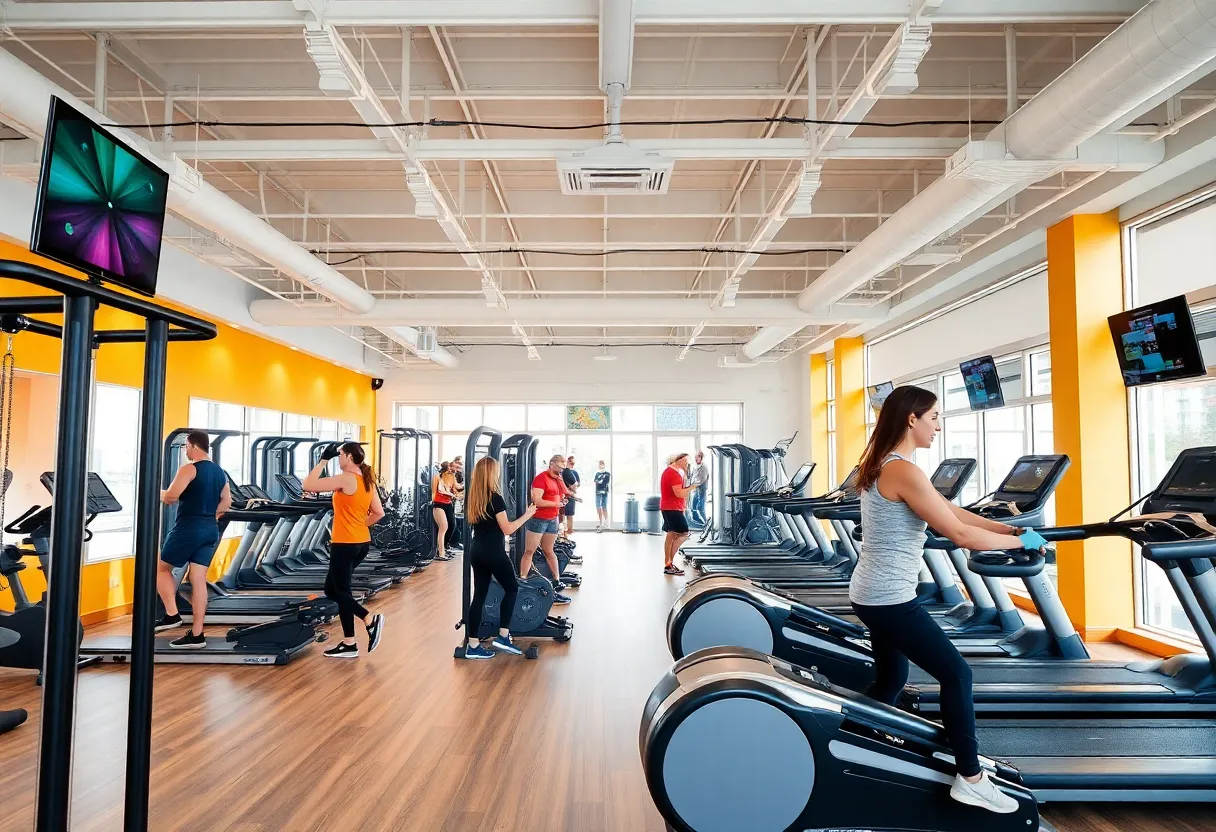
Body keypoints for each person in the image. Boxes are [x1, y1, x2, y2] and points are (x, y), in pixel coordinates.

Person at [849, 385, 1048, 814]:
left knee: (891, 680)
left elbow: (953, 512)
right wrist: (1023, 543)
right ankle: (971, 779)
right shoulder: (902, 470)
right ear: (912, 419)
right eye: (934, 417)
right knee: (957, 674)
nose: (938, 425)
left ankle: (849, 741)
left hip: (873, 592)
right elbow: (959, 534)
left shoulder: (886, 464)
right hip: (888, 597)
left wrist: (1012, 531)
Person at [303, 442, 387, 659]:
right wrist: (358, 525)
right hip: (361, 542)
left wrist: (324, 459)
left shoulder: (346, 478)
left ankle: (369, 619)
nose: (338, 458)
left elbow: (308, 484)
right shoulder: (366, 481)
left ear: (349, 457)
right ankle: (349, 643)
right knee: (337, 591)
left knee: (338, 591)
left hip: (345, 543)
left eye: (340, 455)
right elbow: (379, 513)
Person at [155, 430, 232, 648]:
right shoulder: (220, 472)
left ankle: (172, 615)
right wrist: (210, 516)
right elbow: (226, 502)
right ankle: (197, 635)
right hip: (210, 528)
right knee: (198, 578)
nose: (185, 451)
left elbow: (171, 497)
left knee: (160, 569)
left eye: (186, 447)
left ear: (193, 445)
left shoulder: (189, 468)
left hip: (189, 527)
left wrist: (157, 492)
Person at [463, 457, 537, 660]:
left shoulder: (474, 498)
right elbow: (508, 529)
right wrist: (527, 515)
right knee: (512, 588)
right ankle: (503, 636)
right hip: (493, 552)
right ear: (491, 474)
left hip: (477, 551)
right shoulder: (495, 498)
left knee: (479, 596)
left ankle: (473, 645)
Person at [523, 454, 573, 605]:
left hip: (553, 519)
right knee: (529, 551)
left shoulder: (557, 479)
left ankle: (556, 580)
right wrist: (556, 504)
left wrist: (561, 501)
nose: (560, 471)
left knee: (549, 550)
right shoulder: (541, 478)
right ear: (551, 464)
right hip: (539, 519)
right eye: (559, 467)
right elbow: (537, 500)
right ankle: (523, 581)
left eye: (562, 468)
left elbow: (561, 495)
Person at [659, 453, 695, 576]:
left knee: (671, 534)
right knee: (684, 533)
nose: (686, 463)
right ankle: (669, 564)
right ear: (677, 461)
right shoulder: (673, 474)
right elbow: (680, 493)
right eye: (684, 461)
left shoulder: (669, 472)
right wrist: (692, 487)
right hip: (672, 508)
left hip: (670, 507)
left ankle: (668, 564)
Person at [432, 461, 458, 561]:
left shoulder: (451, 477)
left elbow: (457, 487)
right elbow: (439, 490)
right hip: (439, 504)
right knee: (443, 527)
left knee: (452, 525)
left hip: (448, 504)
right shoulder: (438, 477)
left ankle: (444, 548)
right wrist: (452, 495)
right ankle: (441, 554)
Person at [561, 455, 581, 536]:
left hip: (570, 496)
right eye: (570, 462)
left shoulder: (574, 473)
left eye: (573, 463)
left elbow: (577, 484)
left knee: (570, 514)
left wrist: (571, 489)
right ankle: (563, 531)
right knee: (562, 514)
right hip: (563, 495)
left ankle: (570, 530)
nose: (571, 464)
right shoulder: (563, 472)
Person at [689, 451, 709, 527]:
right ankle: (697, 523)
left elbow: (701, 480)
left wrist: (692, 486)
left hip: (701, 490)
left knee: (701, 508)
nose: (696, 458)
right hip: (695, 490)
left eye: (697, 457)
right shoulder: (694, 467)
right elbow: (692, 477)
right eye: (695, 457)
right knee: (693, 507)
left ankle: (705, 524)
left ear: (701, 458)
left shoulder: (704, 468)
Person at [594, 460, 611, 531]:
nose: (600, 465)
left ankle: (606, 523)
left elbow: (604, 482)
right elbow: (596, 481)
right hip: (598, 492)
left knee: (604, 507)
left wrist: (600, 481)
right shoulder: (597, 474)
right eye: (599, 464)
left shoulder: (607, 474)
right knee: (598, 507)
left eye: (602, 464)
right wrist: (599, 481)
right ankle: (600, 522)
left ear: (604, 465)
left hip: (604, 493)